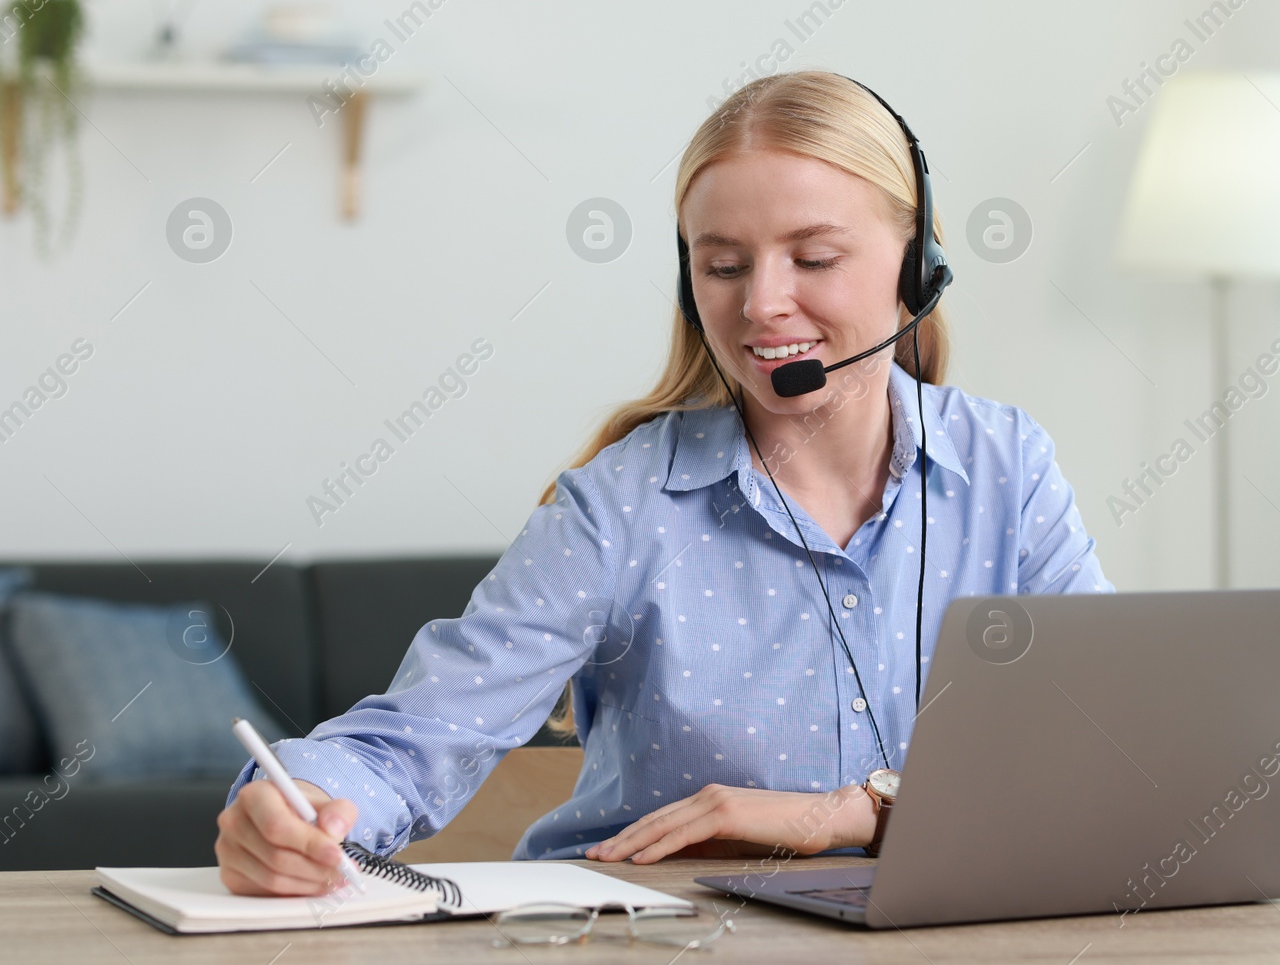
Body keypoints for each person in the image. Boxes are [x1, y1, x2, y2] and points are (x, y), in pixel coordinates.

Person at [214, 70, 1111, 896]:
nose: (760, 304)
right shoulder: (622, 505)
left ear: (918, 268)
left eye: (812, 258)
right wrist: (298, 807)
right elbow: (416, 738)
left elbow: (1103, 756)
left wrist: (854, 812)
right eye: (722, 266)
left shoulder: (1008, 468)